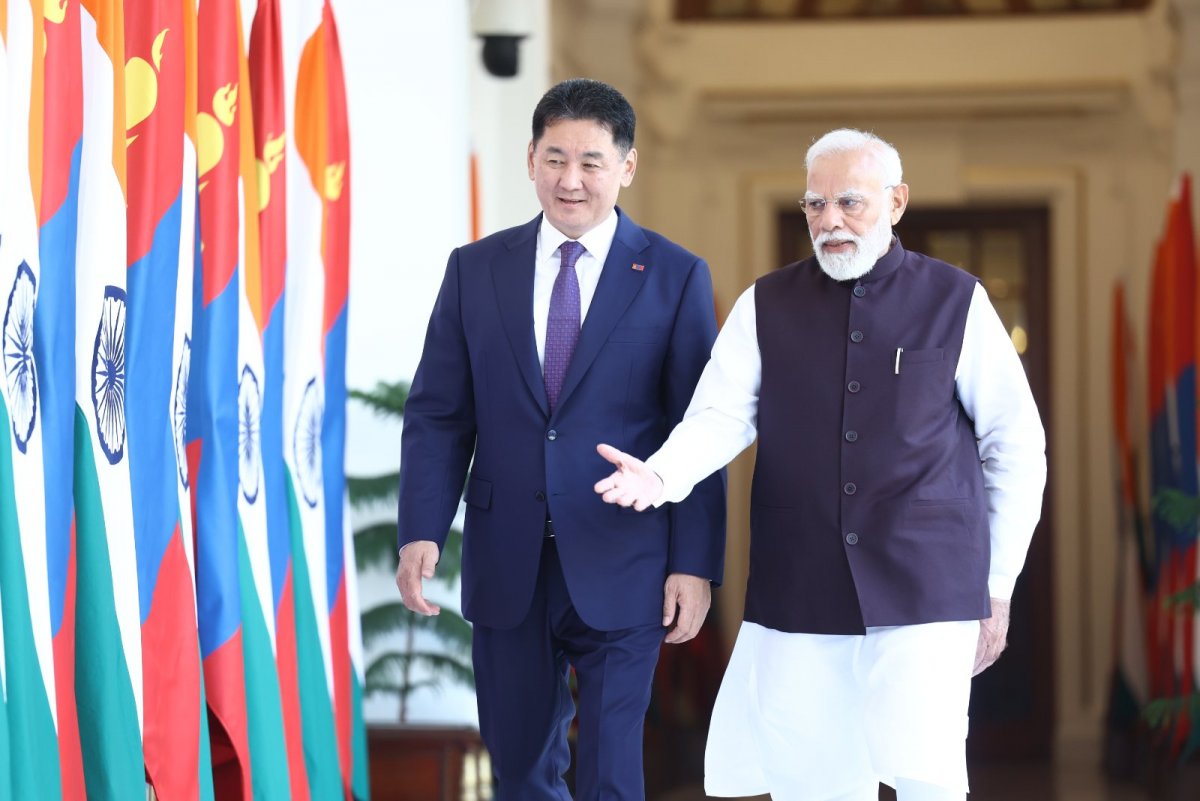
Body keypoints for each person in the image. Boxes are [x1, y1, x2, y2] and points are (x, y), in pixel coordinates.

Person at [593, 128, 1046, 801]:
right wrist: (659, 476)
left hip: (929, 586)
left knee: (928, 778)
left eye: (849, 202)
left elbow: (1015, 445)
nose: (829, 220)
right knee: (811, 783)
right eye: (815, 204)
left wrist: (998, 584)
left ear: (896, 202)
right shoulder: (764, 303)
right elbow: (719, 417)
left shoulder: (957, 299)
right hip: (800, 583)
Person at [395, 78, 726, 801]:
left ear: (627, 167)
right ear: (530, 160)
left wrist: (693, 564)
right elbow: (439, 413)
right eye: (554, 159)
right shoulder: (475, 270)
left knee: (611, 773)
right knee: (520, 770)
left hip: (625, 557)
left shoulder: (674, 276)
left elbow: (701, 426)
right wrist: (421, 527)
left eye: (591, 162)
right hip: (507, 557)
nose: (570, 180)